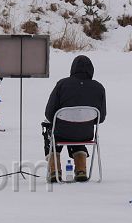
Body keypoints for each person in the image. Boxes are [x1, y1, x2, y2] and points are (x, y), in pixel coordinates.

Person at [42, 55, 106, 183]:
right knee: (78, 128)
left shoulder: (62, 84)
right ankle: (81, 169)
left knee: (50, 132)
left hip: (62, 132)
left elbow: (49, 113)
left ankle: (55, 171)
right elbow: (101, 117)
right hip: (85, 134)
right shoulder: (99, 88)